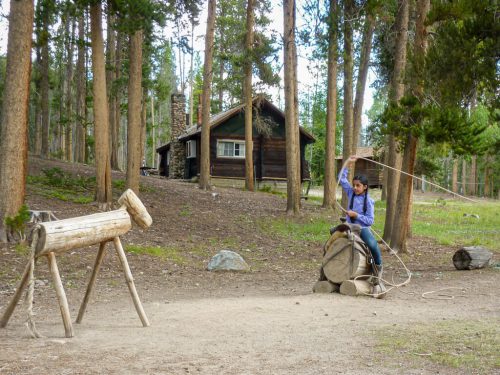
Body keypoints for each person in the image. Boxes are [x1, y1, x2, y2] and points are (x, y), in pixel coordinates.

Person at [338, 156, 383, 279]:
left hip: (361, 228)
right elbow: (341, 178)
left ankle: (378, 268)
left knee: (372, 245)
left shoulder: (369, 201)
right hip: (349, 225)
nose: (355, 188)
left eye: (358, 185)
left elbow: (370, 221)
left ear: (365, 187)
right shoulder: (351, 192)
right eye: (354, 185)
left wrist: (356, 215)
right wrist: (348, 164)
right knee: (334, 235)